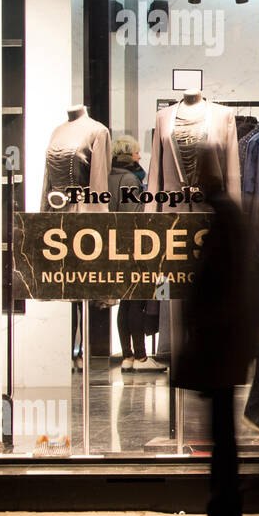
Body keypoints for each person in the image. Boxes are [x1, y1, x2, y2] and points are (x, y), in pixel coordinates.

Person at [171, 144, 257, 516]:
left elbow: (221, 289)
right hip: (224, 347)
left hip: (220, 348)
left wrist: (202, 332)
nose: (193, 178)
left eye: (199, 170)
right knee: (223, 440)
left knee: (222, 442)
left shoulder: (224, 217)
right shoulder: (228, 216)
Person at [109, 135, 163, 372]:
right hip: (133, 247)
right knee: (138, 302)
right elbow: (134, 216)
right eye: (136, 153)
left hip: (114, 246)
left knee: (125, 302)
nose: (140, 157)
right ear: (127, 155)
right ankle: (140, 357)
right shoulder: (130, 179)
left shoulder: (107, 176)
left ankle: (128, 356)